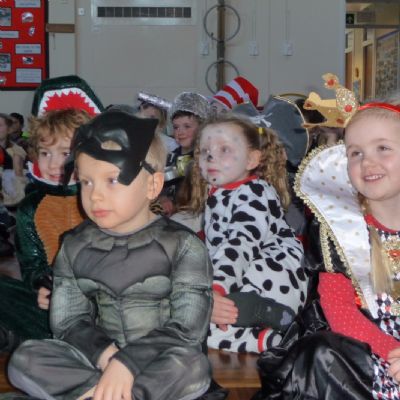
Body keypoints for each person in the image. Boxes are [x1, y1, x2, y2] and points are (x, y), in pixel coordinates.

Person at [8, 110, 213, 400]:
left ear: (153, 185)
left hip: (160, 360)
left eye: (112, 180)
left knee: (192, 366)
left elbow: (188, 328)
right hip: (98, 360)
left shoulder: (183, 245)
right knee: (26, 357)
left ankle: (95, 394)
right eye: (86, 182)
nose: (95, 195)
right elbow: (67, 321)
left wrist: (128, 363)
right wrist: (107, 357)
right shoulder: (75, 245)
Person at [256, 100, 400, 399]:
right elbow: (339, 309)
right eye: (355, 153)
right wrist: (392, 352)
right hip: (372, 355)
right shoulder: (338, 229)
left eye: (383, 148)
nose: (367, 162)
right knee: (319, 354)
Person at [186, 115, 307, 353]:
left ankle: (269, 329)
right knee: (188, 318)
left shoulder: (255, 193)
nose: (211, 157)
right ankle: (262, 333)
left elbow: (240, 245)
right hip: (238, 275)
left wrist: (215, 291)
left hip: (273, 278)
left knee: (194, 326)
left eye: (224, 150)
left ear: (251, 159)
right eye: (205, 151)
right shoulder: (220, 193)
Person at [0, 108, 90, 352]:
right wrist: (40, 283)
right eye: (45, 153)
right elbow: (31, 264)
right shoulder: (30, 206)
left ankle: (25, 339)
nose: (53, 164)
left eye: (65, 153)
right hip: (52, 302)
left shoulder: (98, 197)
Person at [160, 91, 211, 216]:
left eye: (187, 126)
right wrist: (162, 198)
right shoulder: (170, 157)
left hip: (196, 216)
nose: (180, 132)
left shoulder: (207, 160)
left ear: (203, 127)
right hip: (169, 216)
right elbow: (160, 185)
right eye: (176, 127)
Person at [0, 112, 27, 208]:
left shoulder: (17, 150)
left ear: (9, 129)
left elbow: (18, 176)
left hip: (8, 200)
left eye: (0, 125)